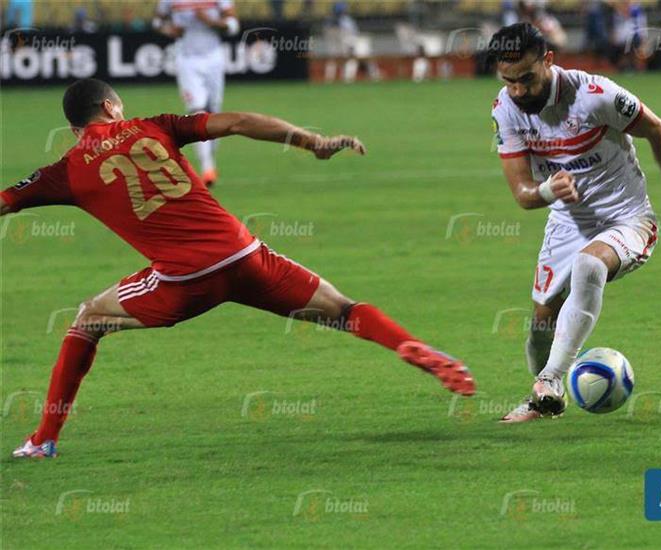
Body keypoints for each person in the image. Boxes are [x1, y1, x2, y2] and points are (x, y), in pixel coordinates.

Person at [5, 78, 475, 458]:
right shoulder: (157, 126)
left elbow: (5, 202)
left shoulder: (64, 171)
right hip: (244, 255)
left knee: (88, 320)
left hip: (181, 281)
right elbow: (240, 122)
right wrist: (311, 141)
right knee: (342, 308)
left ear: (74, 129)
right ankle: (407, 344)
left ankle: (44, 438)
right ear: (110, 107)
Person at [486, 23, 661, 423]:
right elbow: (522, 193)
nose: (518, 91)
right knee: (539, 328)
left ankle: (551, 379)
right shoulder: (506, 110)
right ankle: (544, 401)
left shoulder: (594, 96)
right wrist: (550, 190)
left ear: (549, 60)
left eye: (527, 79)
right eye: (509, 81)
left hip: (628, 219)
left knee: (589, 265)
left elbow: (658, 130)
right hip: (566, 224)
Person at [153, 0, 240, 187]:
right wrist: (169, 30)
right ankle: (207, 167)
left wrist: (211, 22)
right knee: (196, 110)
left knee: (214, 113)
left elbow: (233, 25)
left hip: (214, 58)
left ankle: (210, 160)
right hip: (186, 60)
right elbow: (157, 22)